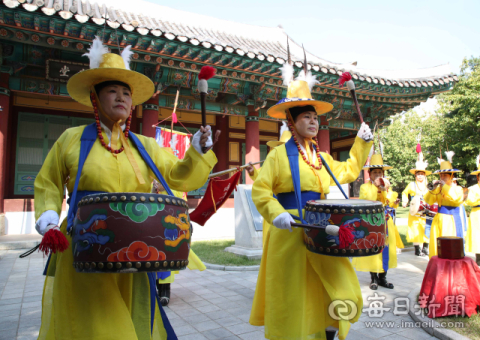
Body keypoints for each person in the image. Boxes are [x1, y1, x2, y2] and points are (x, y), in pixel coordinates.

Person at [33, 37, 217, 339]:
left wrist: (196, 151)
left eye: (126, 93)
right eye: (112, 91)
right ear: (95, 97)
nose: (121, 98)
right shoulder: (72, 139)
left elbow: (179, 175)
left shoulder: (144, 146)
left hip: (135, 250)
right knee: (96, 325)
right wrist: (48, 216)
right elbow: (48, 182)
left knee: (134, 317)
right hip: (86, 245)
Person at [249, 66, 373, 340]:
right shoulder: (278, 156)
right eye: (307, 116)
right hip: (291, 229)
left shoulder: (322, 157)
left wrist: (361, 144)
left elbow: (349, 170)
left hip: (321, 229)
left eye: (315, 117)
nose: (314, 121)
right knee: (293, 291)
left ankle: (328, 331)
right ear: (292, 122)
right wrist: (276, 214)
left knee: (334, 286)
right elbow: (261, 191)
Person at [152, 149, 207, 306]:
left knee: (166, 260)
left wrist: (165, 188)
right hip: (153, 228)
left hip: (169, 228)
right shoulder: (153, 182)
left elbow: (179, 204)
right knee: (153, 258)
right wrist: (154, 189)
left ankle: (165, 292)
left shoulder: (175, 184)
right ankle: (155, 289)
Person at [352, 151, 400, 290]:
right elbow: (366, 200)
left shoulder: (387, 187)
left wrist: (389, 195)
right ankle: (373, 278)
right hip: (372, 221)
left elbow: (391, 202)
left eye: (380, 173)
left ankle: (383, 277)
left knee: (386, 248)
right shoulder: (365, 187)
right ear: (370, 174)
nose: (378, 175)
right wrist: (376, 188)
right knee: (373, 247)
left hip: (386, 221)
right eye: (375, 173)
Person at [424, 152, 465, 258]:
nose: (442, 178)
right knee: (436, 242)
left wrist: (445, 187)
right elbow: (429, 201)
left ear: (451, 176)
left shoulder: (458, 189)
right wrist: (432, 189)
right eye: (441, 175)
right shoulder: (438, 189)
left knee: (449, 243)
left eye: (445, 176)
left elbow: (456, 199)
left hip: (451, 220)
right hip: (438, 219)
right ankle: (436, 264)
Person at [402, 144, 431, 256]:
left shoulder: (428, 185)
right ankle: (417, 249)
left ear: (424, 175)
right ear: (415, 175)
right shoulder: (411, 184)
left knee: (426, 227)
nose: (420, 176)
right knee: (415, 228)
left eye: (422, 174)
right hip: (415, 210)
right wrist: (405, 201)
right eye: (418, 174)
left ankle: (425, 248)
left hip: (425, 210)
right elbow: (405, 192)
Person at [465, 155, 480, 264]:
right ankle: (479, 258)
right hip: (477, 214)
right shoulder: (473, 188)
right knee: (477, 236)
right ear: (478, 177)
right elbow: (468, 201)